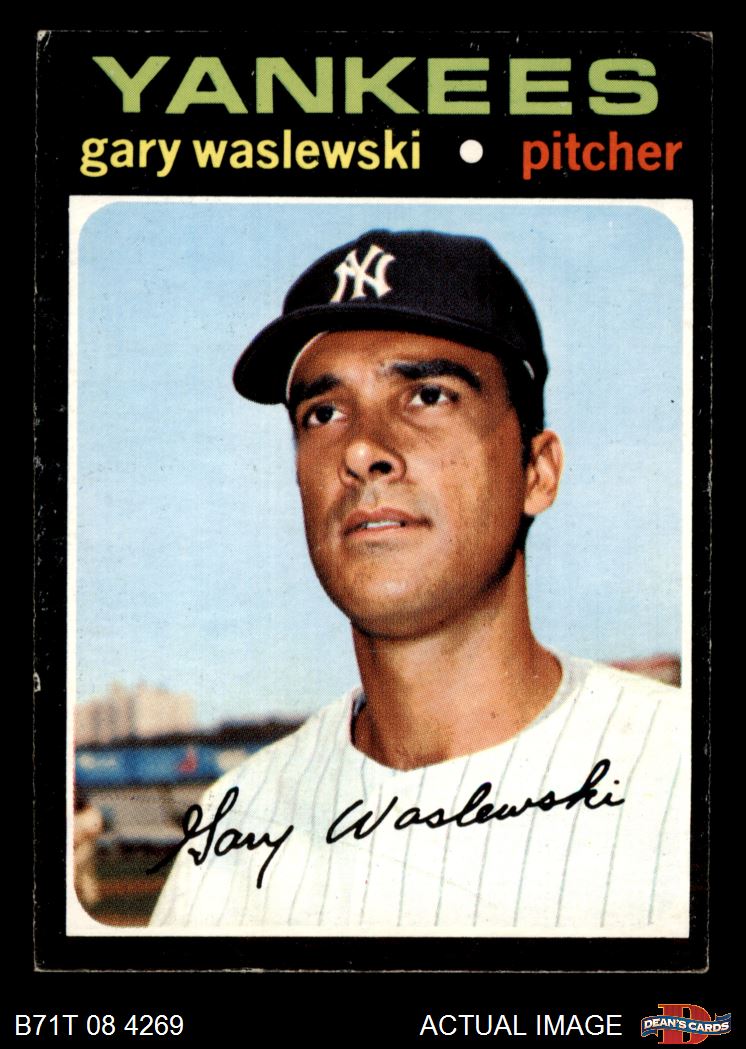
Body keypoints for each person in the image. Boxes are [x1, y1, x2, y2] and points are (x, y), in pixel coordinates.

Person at [150, 229, 689, 935]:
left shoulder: (680, 771)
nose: (362, 449)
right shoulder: (235, 830)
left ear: (537, 471)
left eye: (428, 395)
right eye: (323, 413)